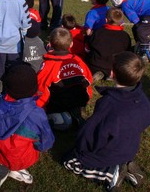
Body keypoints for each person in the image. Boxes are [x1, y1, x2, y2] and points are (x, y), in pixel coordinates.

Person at [64, 51, 150, 191]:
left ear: (112, 73)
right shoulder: (143, 99)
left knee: (69, 162)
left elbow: (92, 134)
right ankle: (126, 166)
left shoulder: (108, 104)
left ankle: (110, 174)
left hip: (109, 152)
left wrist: (81, 148)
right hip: (129, 147)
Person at [0, 65, 54, 190]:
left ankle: (4, 164)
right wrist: (40, 146)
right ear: (33, 87)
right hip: (22, 158)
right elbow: (46, 141)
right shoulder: (36, 114)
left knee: (10, 143)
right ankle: (16, 169)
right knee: (23, 145)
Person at [36, 28, 92, 120]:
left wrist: (40, 107)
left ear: (50, 44)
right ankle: (73, 113)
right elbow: (89, 79)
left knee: (61, 122)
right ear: (71, 44)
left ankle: (63, 117)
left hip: (57, 105)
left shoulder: (48, 65)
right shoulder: (78, 61)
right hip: (79, 100)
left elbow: (41, 87)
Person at [86, 8, 131, 82]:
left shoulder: (97, 32)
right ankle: (110, 74)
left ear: (106, 20)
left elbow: (87, 49)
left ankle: (102, 72)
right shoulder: (125, 36)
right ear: (121, 22)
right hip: (115, 66)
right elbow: (127, 53)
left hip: (95, 65)